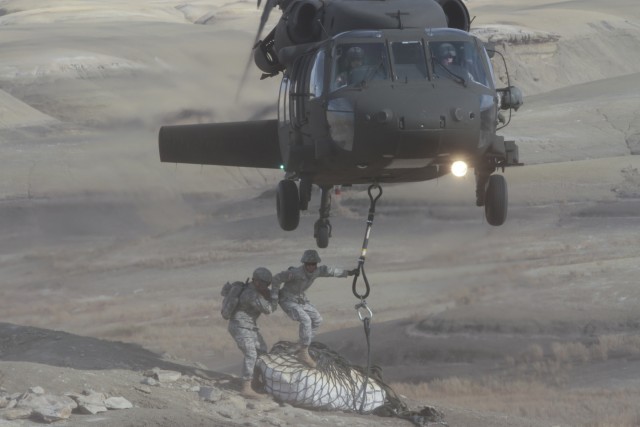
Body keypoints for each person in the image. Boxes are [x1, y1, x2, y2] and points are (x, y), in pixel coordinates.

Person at [271, 250, 357, 368]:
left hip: (300, 300)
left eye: (314, 264)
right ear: (304, 264)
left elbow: (330, 271)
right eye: (309, 264)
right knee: (306, 320)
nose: (311, 266)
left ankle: (302, 345)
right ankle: (304, 352)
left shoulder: (317, 271)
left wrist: (349, 273)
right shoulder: (294, 273)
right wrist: (274, 297)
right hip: (287, 300)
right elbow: (276, 279)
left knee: (317, 320)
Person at [226, 267, 278, 399]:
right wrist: (274, 296)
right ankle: (246, 387)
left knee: (262, 351)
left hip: (249, 326)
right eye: (264, 284)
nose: (266, 287)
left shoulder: (248, 288)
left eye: (268, 284)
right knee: (251, 353)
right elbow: (268, 310)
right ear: (256, 282)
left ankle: (255, 381)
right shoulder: (251, 294)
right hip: (240, 326)